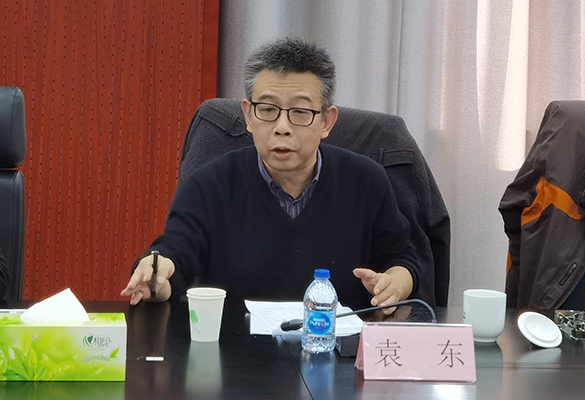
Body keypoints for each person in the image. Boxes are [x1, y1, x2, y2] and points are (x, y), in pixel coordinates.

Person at [121, 38, 419, 313]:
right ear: (248, 116)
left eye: (300, 112)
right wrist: (156, 279)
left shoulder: (366, 181)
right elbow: (175, 256)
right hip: (236, 348)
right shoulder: (208, 185)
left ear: (327, 122)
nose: (282, 127)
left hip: (334, 345)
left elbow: (403, 260)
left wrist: (394, 284)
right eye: (267, 110)